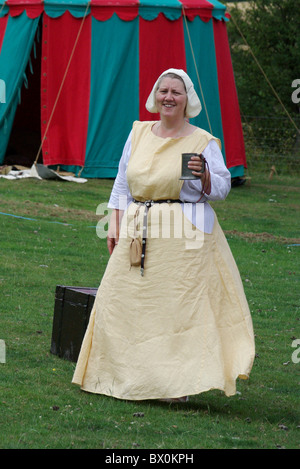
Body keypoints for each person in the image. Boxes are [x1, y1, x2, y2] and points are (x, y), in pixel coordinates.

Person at [72, 68, 255, 402]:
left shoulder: (202, 141)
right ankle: (120, 374)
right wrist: (115, 223)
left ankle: (175, 385)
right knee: (124, 302)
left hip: (186, 236)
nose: (169, 97)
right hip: (139, 227)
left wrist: (204, 178)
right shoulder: (139, 132)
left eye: (176, 92)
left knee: (176, 308)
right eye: (163, 91)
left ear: (188, 100)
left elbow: (223, 188)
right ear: (155, 96)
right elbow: (122, 183)